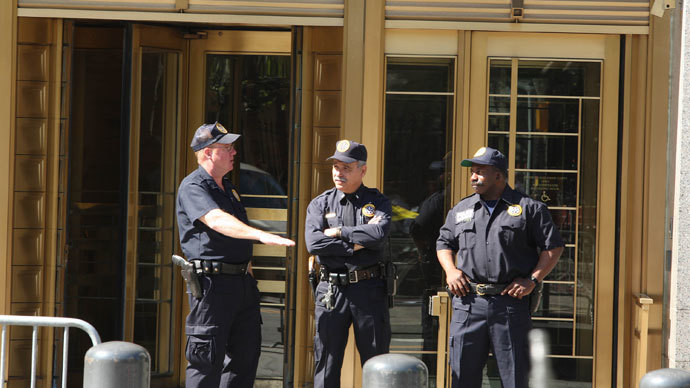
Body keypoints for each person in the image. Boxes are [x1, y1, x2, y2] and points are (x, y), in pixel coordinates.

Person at [176, 122, 295, 388]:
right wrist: (260, 235)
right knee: (206, 360)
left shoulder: (229, 188)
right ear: (208, 152)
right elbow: (217, 220)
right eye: (227, 147)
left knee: (245, 357)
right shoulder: (193, 186)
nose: (234, 152)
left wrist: (249, 278)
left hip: (241, 284)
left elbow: (235, 243)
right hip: (212, 286)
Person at [436, 146, 564, 388]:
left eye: (480, 172)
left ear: (499, 175)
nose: (473, 177)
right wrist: (451, 271)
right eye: (472, 172)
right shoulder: (461, 209)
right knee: (462, 376)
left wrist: (533, 280)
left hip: (509, 305)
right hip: (468, 304)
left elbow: (553, 247)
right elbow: (443, 243)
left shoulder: (529, 208)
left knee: (514, 377)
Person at [305, 140, 392, 388]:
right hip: (331, 290)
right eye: (336, 167)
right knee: (326, 362)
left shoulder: (379, 202)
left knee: (376, 363)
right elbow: (314, 243)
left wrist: (338, 231)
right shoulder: (320, 203)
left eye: (346, 168)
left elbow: (377, 235)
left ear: (362, 170)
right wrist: (354, 244)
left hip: (369, 289)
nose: (338, 173)